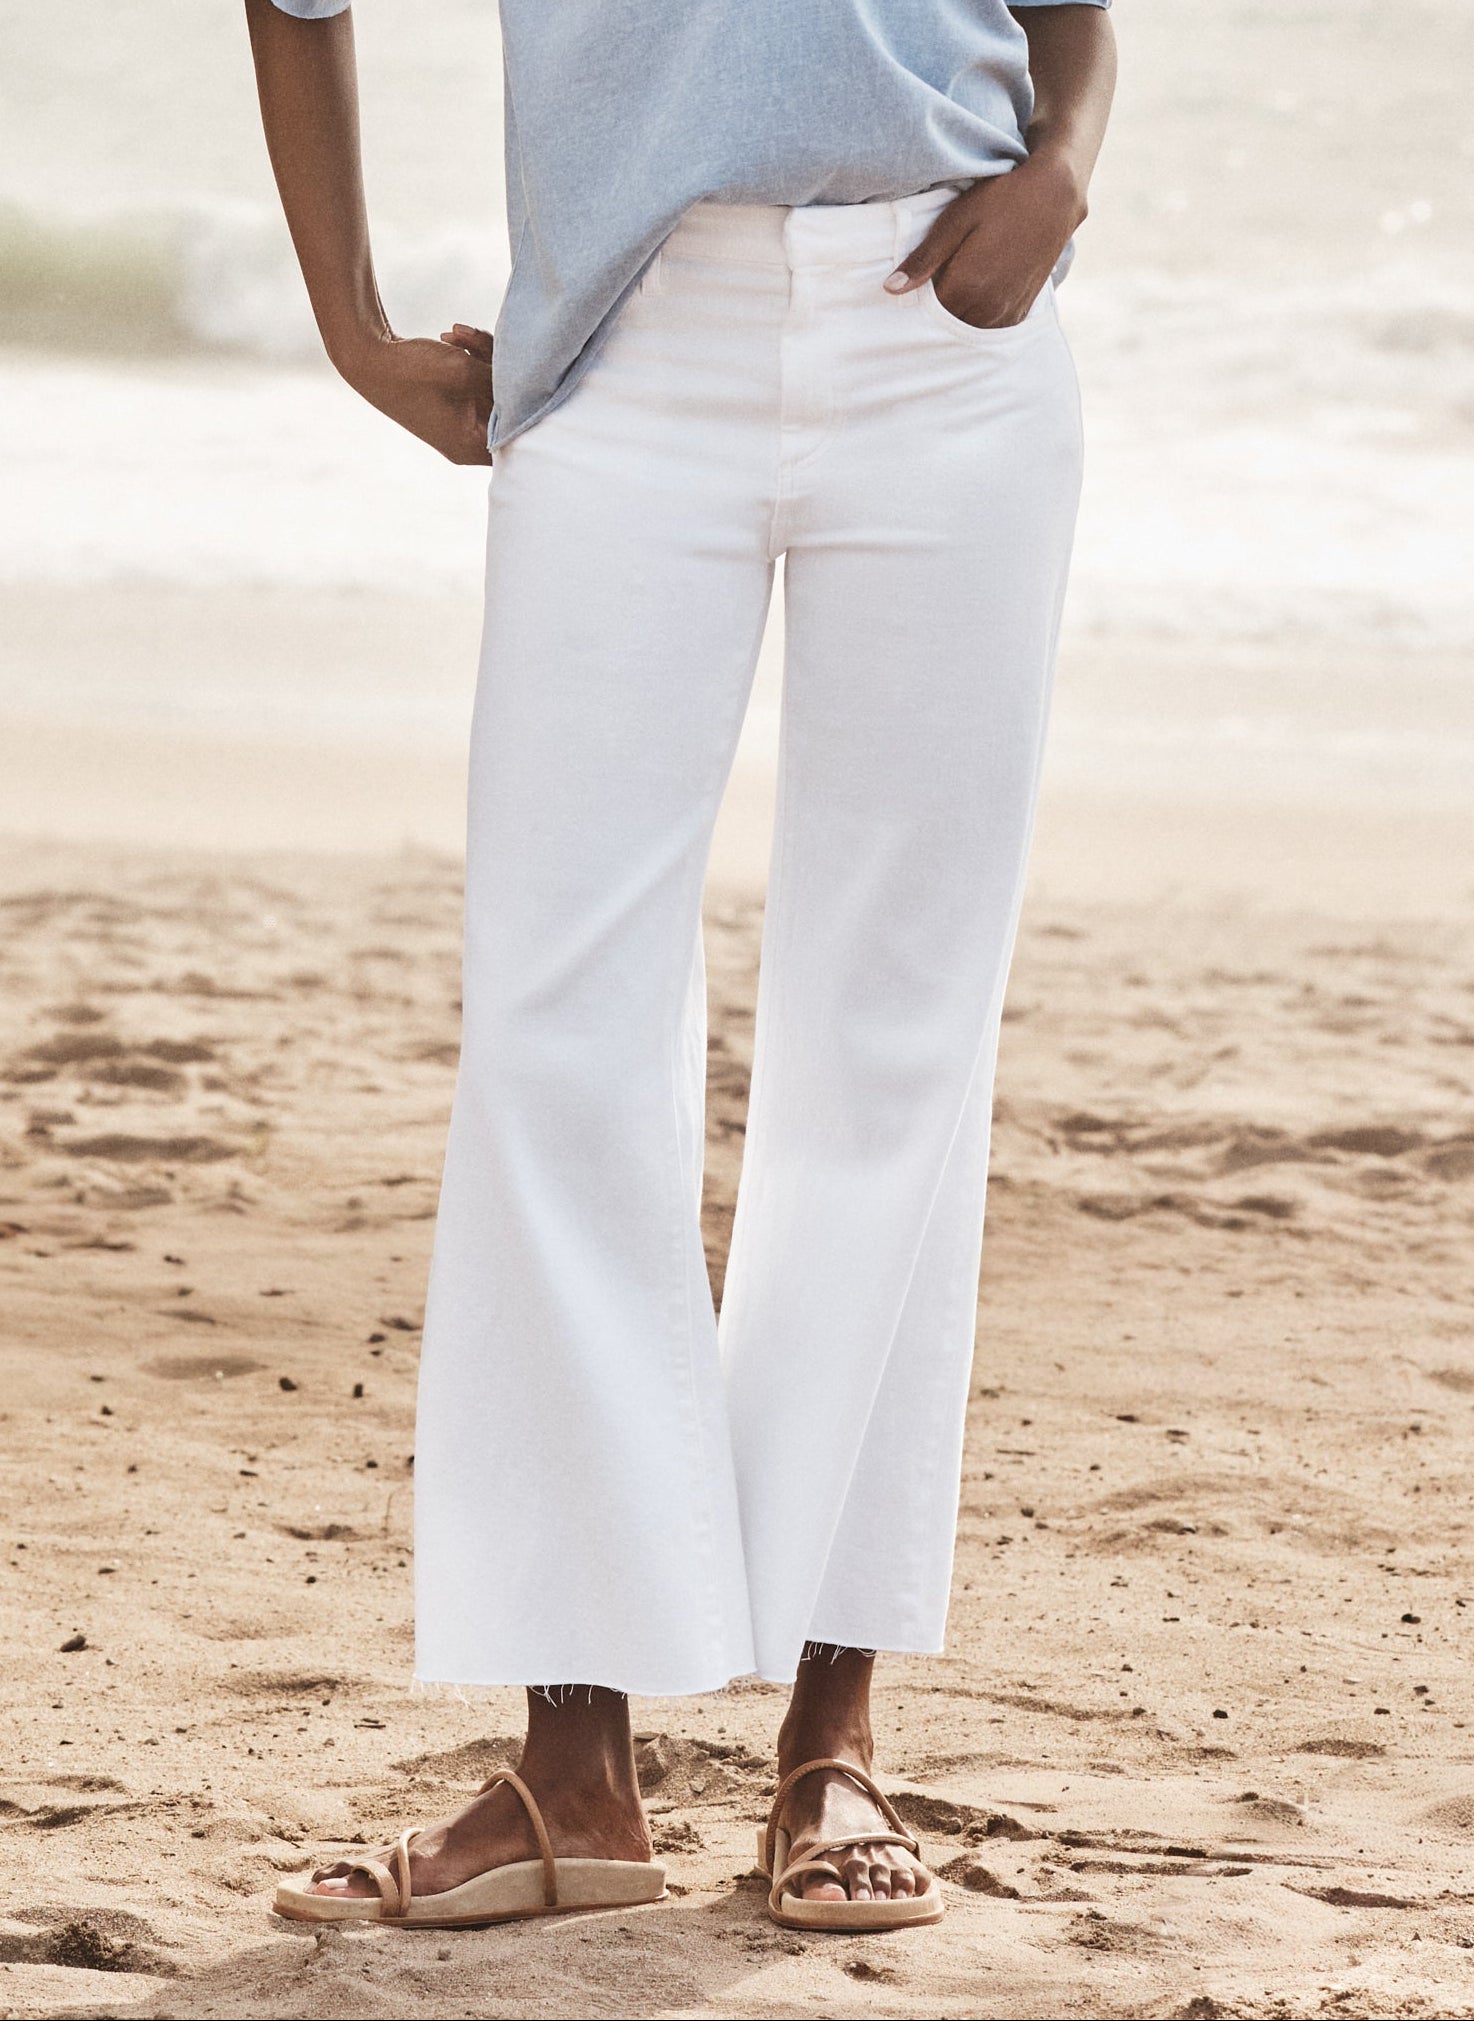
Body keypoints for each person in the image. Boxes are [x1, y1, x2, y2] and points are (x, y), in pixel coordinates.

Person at [247, 0, 1115, 1934]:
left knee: (891, 1040)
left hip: (947, 334)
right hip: (624, 355)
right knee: (556, 1029)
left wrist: (1061, 166)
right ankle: (575, 1762)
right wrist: (352, 325)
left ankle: (833, 1734)